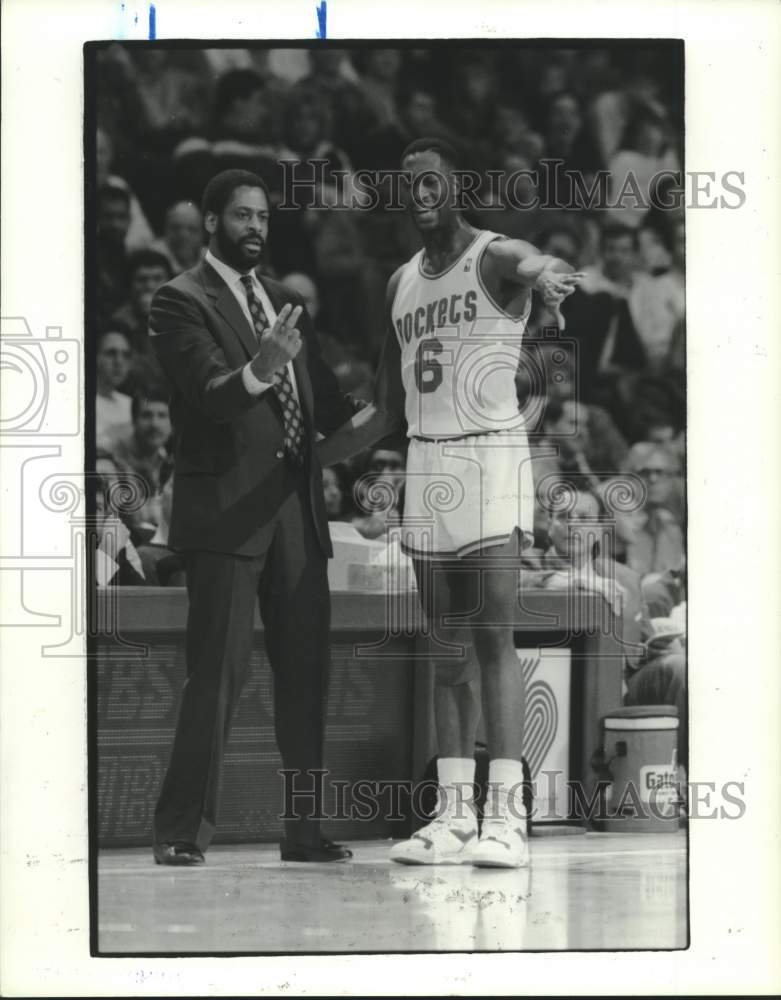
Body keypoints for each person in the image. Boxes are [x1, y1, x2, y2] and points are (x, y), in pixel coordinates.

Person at [318, 137, 583, 868]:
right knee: (444, 648)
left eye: (430, 180)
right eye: (407, 184)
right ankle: (452, 814)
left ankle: (506, 816)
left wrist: (552, 276)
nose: (419, 193)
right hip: (429, 457)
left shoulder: (493, 256)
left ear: (455, 186)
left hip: (491, 449)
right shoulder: (399, 282)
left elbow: (535, 264)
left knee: (494, 634)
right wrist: (308, 461)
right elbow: (383, 406)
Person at [147, 169, 360, 866]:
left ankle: (302, 831)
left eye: (263, 217)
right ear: (210, 223)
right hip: (225, 512)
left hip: (296, 510)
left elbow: (326, 403)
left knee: (305, 677)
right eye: (241, 216)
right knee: (218, 676)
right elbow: (210, 396)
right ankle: (181, 830)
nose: (255, 229)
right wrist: (261, 369)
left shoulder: (284, 301)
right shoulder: (178, 300)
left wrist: (394, 404)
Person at [95, 329, 133, 451]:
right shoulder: (78, 403)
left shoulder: (130, 404)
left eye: (125, 355)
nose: (119, 361)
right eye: (111, 353)